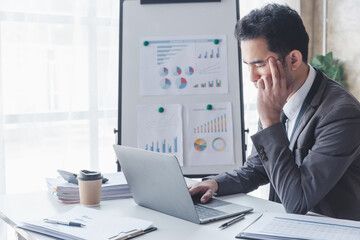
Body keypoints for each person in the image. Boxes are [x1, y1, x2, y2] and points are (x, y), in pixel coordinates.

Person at [188, 3, 360, 221]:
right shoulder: (276, 95)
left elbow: (298, 201)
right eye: (247, 65)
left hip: (329, 231)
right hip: (286, 226)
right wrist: (215, 183)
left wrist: (270, 120)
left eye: (259, 65)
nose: (251, 77)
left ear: (294, 59)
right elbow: (258, 168)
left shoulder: (341, 114)